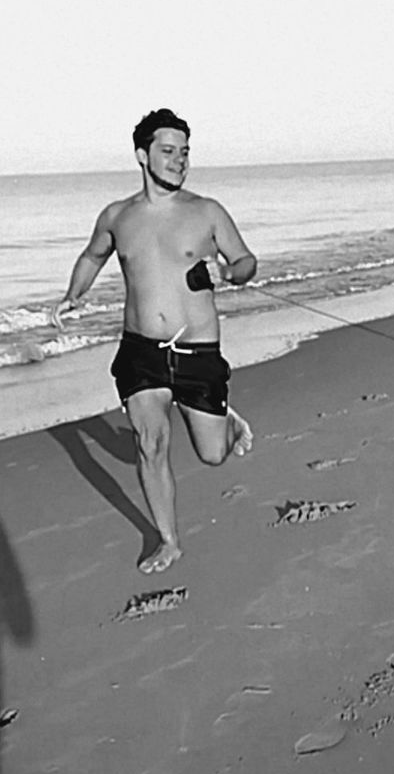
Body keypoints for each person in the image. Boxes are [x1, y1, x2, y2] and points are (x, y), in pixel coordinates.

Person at [51, 108, 257, 574]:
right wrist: (72, 295)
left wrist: (230, 271)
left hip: (197, 351)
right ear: (143, 155)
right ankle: (168, 540)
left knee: (212, 456)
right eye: (168, 151)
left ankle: (226, 420)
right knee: (150, 443)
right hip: (140, 352)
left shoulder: (206, 211)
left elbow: (246, 261)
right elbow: (92, 255)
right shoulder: (117, 215)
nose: (179, 161)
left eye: (184, 153)